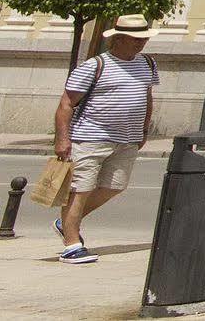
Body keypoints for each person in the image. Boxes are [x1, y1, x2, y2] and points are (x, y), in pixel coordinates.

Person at [51, 15, 160, 264]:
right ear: (118, 39)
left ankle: (66, 222)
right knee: (81, 189)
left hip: (128, 138)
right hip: (90, 136)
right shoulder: (95, 65)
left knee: (114, 186)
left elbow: (147, 96)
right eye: (135, 39)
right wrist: (62, 139)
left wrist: (144, 129)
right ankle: (71, 243)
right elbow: (66, 104)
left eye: (143, 39)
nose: (141, 44)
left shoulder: (148, 64)